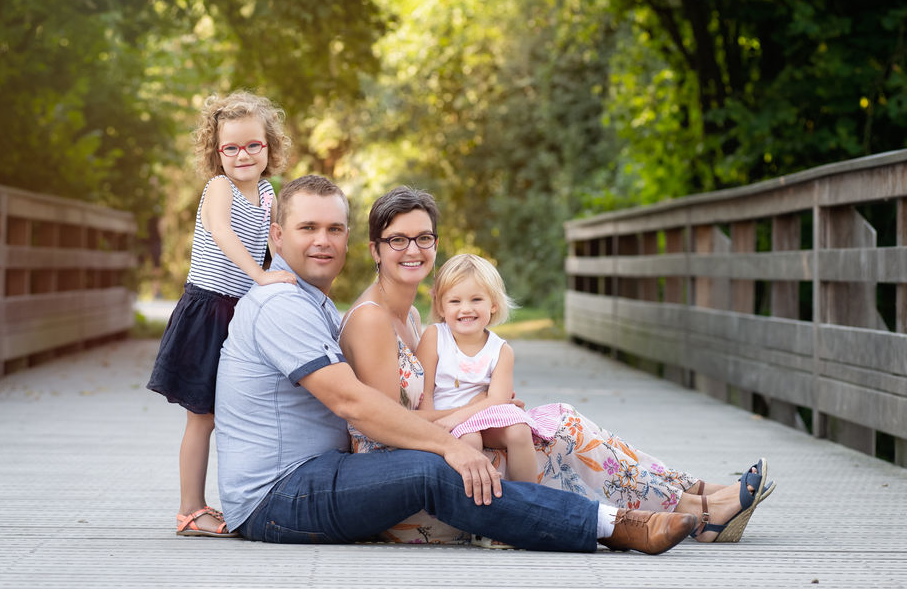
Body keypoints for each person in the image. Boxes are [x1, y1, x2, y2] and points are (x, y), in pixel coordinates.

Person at [214, 174, 696, 553]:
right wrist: (452, 444)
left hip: (321, 472)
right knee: (438, 470)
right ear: (277, 236)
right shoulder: (280, 303)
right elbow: (352, 403)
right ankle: (614, 526)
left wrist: (484, 417)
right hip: (279, 494)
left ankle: (686, 502)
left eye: (334, 229)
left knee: (535, 433)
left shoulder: (312, 301)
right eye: (308, 228)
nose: (324, 241)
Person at [339, 186, 775, 546]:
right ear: (376, 249)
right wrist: (481, 408)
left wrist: (491, 408)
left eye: (424, 238)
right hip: (415, 495)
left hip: (440, 452)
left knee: (555, 422)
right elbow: (388, 430)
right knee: (557, 438)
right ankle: (697, 509)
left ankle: (695, 494)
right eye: (398, 239)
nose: (412, 249)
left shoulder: (412, 317)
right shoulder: (372, 319)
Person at [147, 91, 296, 537]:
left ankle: (250, 493)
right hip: (208, 310)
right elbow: (224, 233)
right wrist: (260, 275)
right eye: (230, 147)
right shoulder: (220, 188)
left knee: (237, 410)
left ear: (269, 146)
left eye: (253, 144)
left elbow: (276, 247)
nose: (242, 154)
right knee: (203, 415)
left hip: (241, 313)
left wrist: (285, 279)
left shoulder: (268, 193)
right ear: (216, 153)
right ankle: (190, 509)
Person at [415, 254, 543, 485]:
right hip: (442, 418)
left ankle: (528, 499)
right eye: (455, 301)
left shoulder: (501, 350)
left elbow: (497, 399)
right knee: (470, 439)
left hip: (483, 416)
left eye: (476, 300)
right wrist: (433, 428)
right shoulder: (435, 337)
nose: (466, 309)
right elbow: (426, 393)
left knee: (519, 430)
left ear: (493, 303)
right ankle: (471, 506)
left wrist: (459, 417)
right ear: (441, 306)